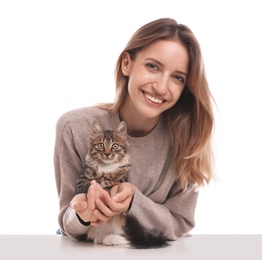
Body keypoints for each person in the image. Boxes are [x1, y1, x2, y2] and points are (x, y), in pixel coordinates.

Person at [54, 17, 215, 242]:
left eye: (177, 78)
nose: (160, 87)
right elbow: (67, 222)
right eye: (152, 66)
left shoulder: (186, 139)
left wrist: (133, 202)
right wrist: (82, 215)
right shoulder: (75, 127)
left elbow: (181, 222)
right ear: (126, 64)